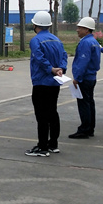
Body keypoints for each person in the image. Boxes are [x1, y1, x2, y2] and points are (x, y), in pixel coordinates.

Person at [24, 11, 68, 157]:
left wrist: (51, 69)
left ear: (35, 25)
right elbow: (64, 56)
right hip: (55, 83)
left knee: (41, 115)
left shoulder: (36, 40)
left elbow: (39, 58)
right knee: (52, 113)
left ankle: (42, 147)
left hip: (41, 82)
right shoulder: (57, 40)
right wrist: (61, 69)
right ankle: (53, 144)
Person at [69, 17, 100, 139]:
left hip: (85, 78)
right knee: (90, 103)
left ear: (86, 29)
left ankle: (84, 129)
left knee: (84, 104)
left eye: (80, 28)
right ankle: (90, 128)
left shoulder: (85, 43)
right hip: (91, 77)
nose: (77, 30)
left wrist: (77, 78)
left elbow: (83, 62)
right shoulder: (93, 41)